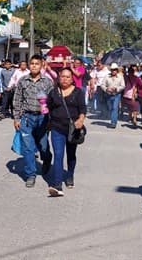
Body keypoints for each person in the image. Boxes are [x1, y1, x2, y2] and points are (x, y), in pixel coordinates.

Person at [13, 54, 55, 188]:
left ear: (42, 65)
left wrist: (51, 119)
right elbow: (17, 100)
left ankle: (47, 158)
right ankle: (30, 174)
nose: (34, 66)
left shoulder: (47, 82)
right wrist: (16, 118)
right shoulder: (22, 81)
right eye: (32, 64)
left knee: (43, 145)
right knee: (28, 148)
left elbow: (53, 101)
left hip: (43, 118)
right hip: (26, 118)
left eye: (37, 64)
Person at [46, 67, 86, 196]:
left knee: (71, 154)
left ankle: (70, 176)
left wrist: (81, 119)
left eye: (68, 77)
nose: (65, 79)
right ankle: (57, 185)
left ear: (72, 79)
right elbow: (48, 108)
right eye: (62, 76)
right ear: (59, 77)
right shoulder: (53, 92)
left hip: (72, 129)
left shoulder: (78, 92)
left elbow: (83, 109)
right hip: (57, 128)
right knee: (58, 155)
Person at [100, 63, 125, 128]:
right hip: (108, 95)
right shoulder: (107, 76)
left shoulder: (120, 77)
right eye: (112, 70)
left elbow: (123, 86)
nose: (113, 71)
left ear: (117, 70)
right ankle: (114, 119)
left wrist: (116, 89)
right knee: (110, 108)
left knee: (115, 108)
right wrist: (106, 89)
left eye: (115, 70)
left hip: (117, 95)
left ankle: (113, 122)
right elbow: (102, 85)